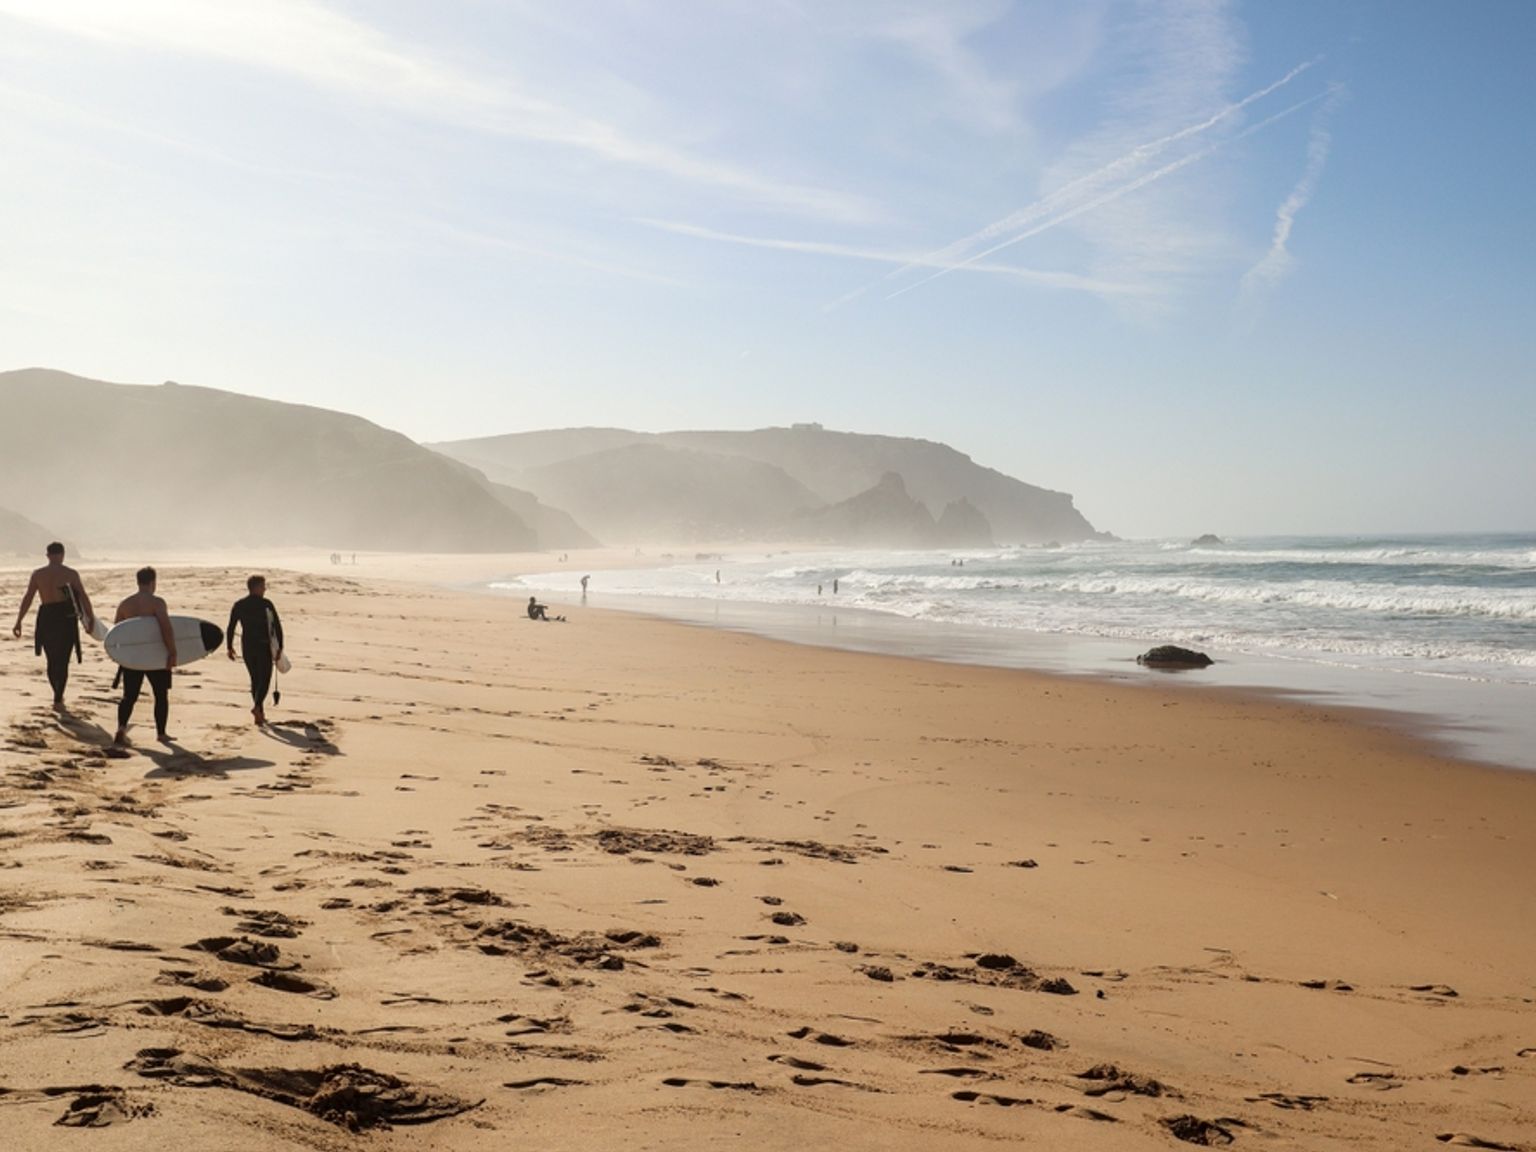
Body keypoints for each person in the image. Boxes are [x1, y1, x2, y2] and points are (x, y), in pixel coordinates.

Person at [11, 542, 95, 712]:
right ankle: (58, 698)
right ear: (62, 555)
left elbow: (28, 597)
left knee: (51, 659)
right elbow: (83, 597)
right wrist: (90, 618)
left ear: (48, 555)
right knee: (63, 660)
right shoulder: (70, 574)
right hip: (65, 616)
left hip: (46, 615)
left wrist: (19, 620)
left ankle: (56, 694)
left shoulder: (38, 574)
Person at [113, 566, 175, 746]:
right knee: (160, 695)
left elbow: (116, 632)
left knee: (129, 696)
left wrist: (119, 656)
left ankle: (121, 728)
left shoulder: (125, 604)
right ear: (153, 582)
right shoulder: (157, 603)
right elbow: (166, 628)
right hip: (155, 656)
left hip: (132, 657)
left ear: (138, 582)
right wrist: (172, 651)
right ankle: (161, 734)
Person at [227, 574, 284, 726]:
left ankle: (259, 713)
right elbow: (277, 626)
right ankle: (257, 707)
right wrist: (280, 647)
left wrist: (229, 646)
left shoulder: (239, 604)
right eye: (263, 586)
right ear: (257, 587)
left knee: (255, 679)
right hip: (263, 646)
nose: (265, 589)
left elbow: (231, 626)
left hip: (247, 646)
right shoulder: (266, 604)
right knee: (264, 679)